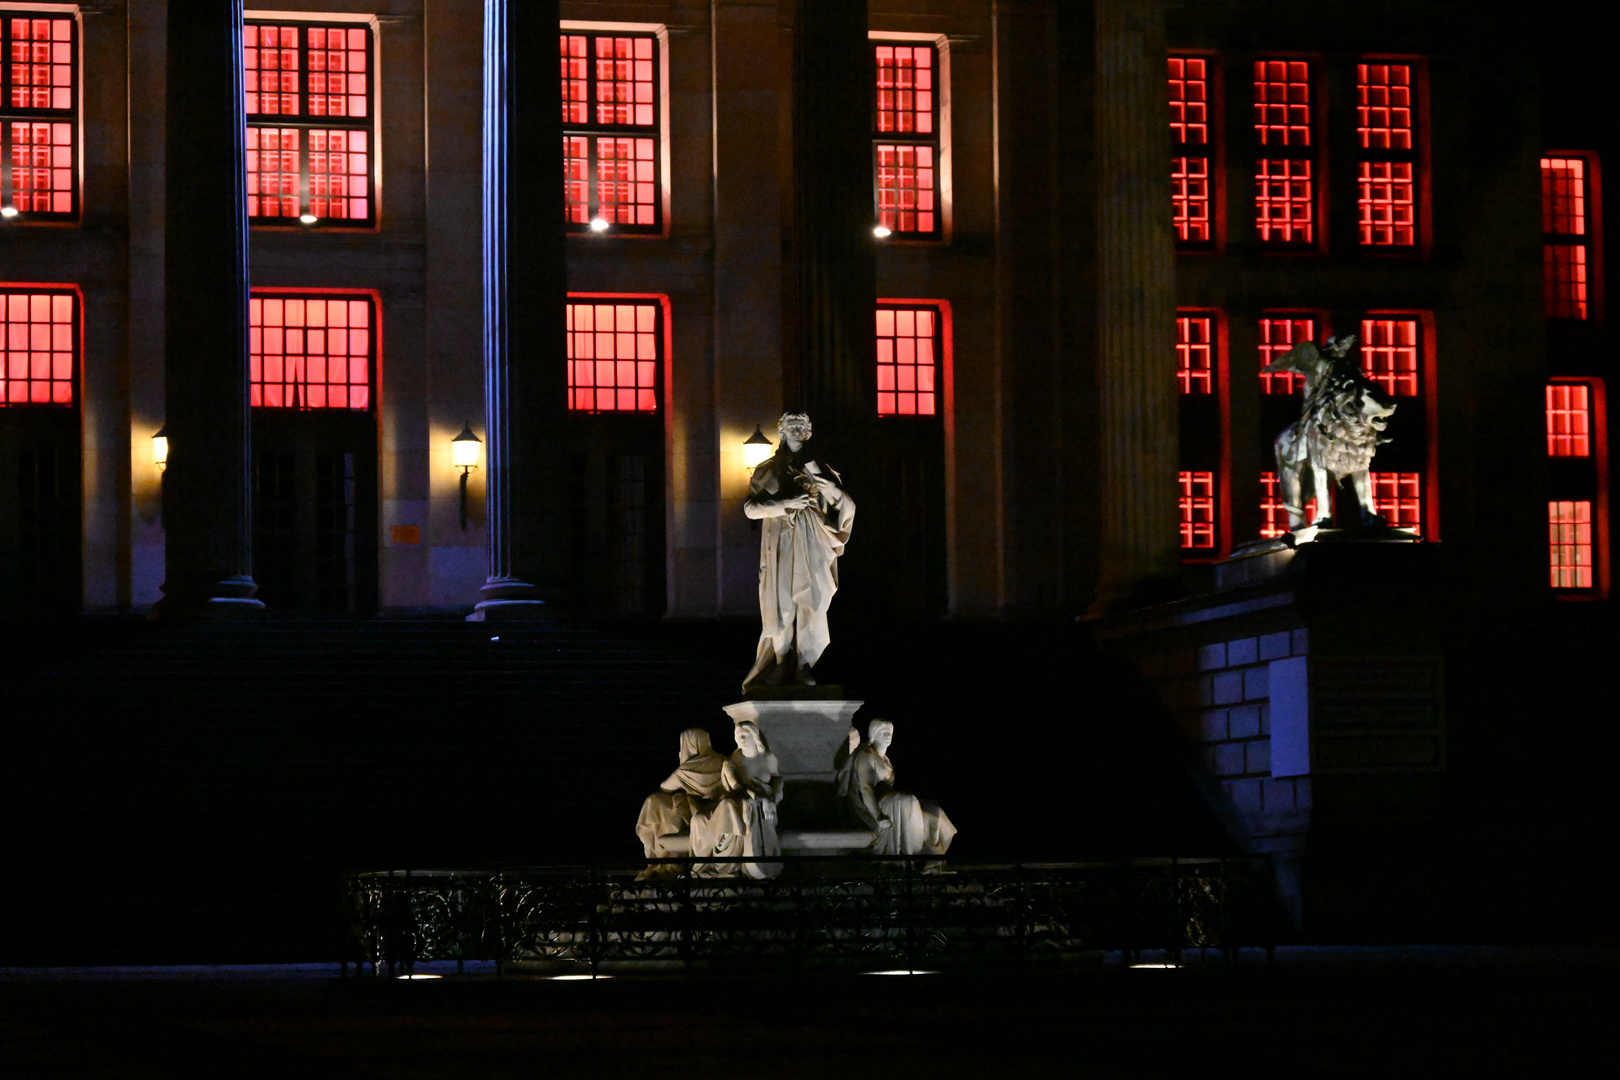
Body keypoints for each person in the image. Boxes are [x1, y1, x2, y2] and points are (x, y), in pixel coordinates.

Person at [741, 412, 855, 692]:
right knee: (782, 607)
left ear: (808, 432)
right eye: (791, 426)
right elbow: (750, 508)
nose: (796, 431)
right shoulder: (767, 469)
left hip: (812, 546)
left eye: (802, 427)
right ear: (781, 431)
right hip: (780, 548)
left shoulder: (820, 469)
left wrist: (827, 489)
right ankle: (782, 661)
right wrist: (785, 502)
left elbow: (844, 505)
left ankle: (803, 665)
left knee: (810, 605)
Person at [845, 719, 956, 858]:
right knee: (905, 800)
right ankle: (912, 856)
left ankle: (932, 855)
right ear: (873, 734)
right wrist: (878, 816)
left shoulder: (885, 760)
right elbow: (866, 788)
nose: (888, 735)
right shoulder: (866, 756)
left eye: (890, 733)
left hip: (888, 802)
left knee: (933, 808)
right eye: (884, 732)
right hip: (874, 807)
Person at [689, 720, 783, 878]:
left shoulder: (769, 758)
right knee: (704, 818)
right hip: (739, 801)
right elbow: (738, 787)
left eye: (744, 735)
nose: (740, 739)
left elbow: (778, 779)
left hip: (763, 808)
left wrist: (776, 795)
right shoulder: (732, 763)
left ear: (755, 736)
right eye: (737, 736)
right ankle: (721, 866)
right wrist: (762, 799)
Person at [635, 728, 726, 876]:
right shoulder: (723, 761)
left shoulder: (687, 770)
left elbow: (664, 787)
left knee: (654, 802)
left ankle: (660, 863)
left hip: (699, 815)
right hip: (714, 813)